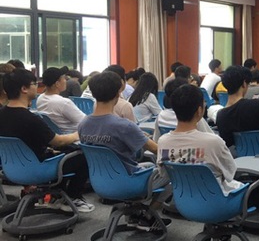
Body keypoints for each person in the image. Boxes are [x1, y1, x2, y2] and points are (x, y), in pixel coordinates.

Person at [157, 84, 259, 241]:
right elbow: (230, 172)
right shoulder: (212, 141)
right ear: (199, 110)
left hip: (185, 203)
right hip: (219, 204)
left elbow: (164, 173)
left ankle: (219, 235)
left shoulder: (163, 141)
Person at [78, 71, 170, 231]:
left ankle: (135, 213)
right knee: (171, 170)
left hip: (100, 183)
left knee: (148, 165)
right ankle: (148, 214)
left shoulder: (83, 124)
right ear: (118, 93)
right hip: (129, 182)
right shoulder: (123, 125)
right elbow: (157, 150)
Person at [0, 68, 94, 212]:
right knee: (83, 155)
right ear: (24, 89)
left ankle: (56, 196)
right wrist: (77, 135)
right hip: (38, 169)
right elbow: (58, 141)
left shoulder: (3, 114)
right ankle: (72, 197)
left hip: (12, 169)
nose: (38, 87)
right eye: (34, 84)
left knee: (64, 151)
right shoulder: (31, 119)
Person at [36, 66, 86, 133]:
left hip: (53, 135)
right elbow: (85, 121)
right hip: (72, 136)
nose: (66, 81)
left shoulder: (40, 98)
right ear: (57, 84)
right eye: (64, 78)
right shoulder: (64, 103)